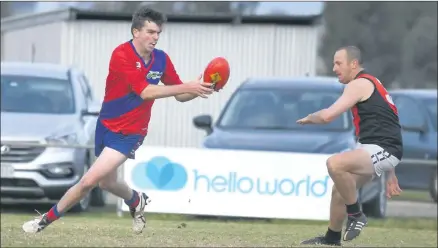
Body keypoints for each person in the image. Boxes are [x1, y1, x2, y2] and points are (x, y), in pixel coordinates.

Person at [22, 7, 214, 234]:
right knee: (107, 182)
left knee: (88, 181)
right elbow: (145, 91)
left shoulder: (161, 59)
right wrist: (186, 86)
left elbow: (180, 95)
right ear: (136, 32)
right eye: (151, 32)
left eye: (158, 33)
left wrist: (199, 88)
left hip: (131, 133)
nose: (155, 37)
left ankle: (43, 221)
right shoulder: (121, 54)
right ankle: (136, 200)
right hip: (106, 126)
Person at [296, 46, 403, 246]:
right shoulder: (372, 82)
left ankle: (356, 215)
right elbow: (390, 123)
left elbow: (328, 115)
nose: (334, 67)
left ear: (353, 64)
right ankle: (332, 238)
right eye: (333, 63)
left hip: (382, 149)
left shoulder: (358, 84)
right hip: (376, 148)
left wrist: (310, 118)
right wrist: (391, 172)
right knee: (340, 190)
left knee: (335, 164)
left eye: (339, 63)